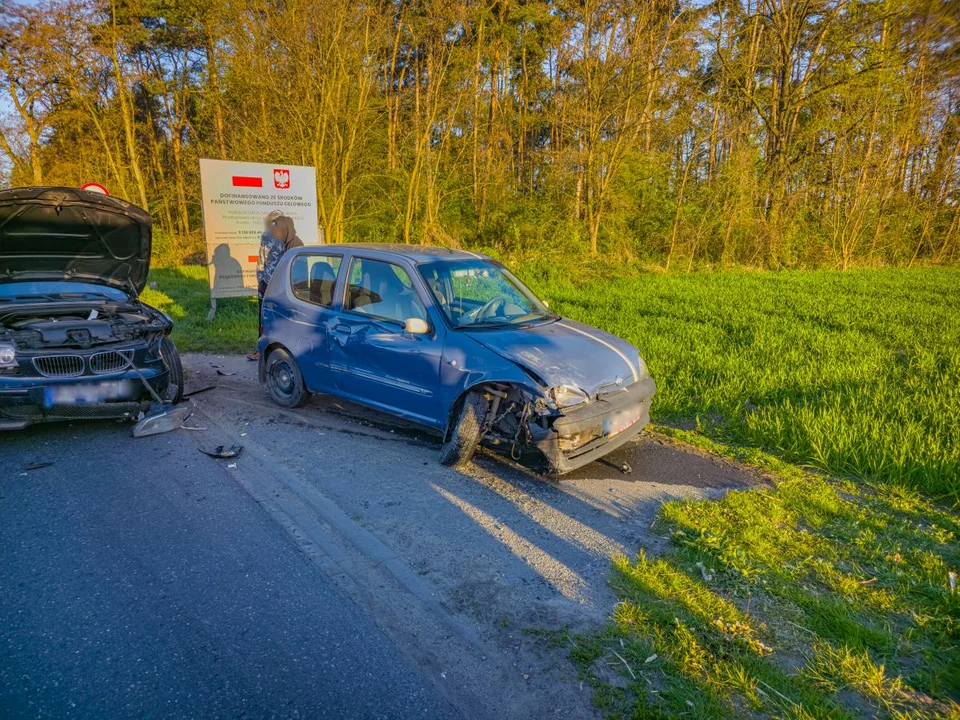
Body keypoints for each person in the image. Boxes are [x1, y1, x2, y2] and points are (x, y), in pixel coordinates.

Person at [247, 212, 304, 360]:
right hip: (267, 284)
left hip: (283, 290)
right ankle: (263, 349)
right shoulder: (268, 237)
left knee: (281, 319)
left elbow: (297, 273)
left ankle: (281, 351)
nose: (273, 230)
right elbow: (262, 260)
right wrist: (261, 281)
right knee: (264, 317)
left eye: (275, 226)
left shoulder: (295, 244)